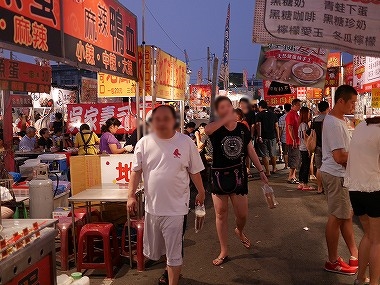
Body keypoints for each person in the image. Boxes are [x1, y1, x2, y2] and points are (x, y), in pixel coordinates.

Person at [127, 105, 206, 285]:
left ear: (174, 121)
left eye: (166, 118)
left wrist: (201, 191)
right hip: (152, 207)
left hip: (176, 208)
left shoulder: (186, 142)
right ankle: (169, 271)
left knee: (174, 252)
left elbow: (194, 171)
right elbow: (136, 171)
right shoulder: (143, 143)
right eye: (158, 119)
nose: (161, 122)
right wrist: (131, 195)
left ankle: (172, 279)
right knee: (159, 250)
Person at [205, 96, 268, 266]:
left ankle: (239, 230)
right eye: (221, 108)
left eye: (227, 106)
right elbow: (207, 130)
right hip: (218, 175)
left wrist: (261, 170)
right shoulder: (216, 128)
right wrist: (224, 119)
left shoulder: (242, 128)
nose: (225, 110)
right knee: (221, 213)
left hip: (237, 174)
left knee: (242, 214)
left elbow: (249, 149)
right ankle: (224, 250)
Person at [321, 85, 358, 275]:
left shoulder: (339, 120)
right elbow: (339, 157)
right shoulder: (335, 124)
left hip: (338, 175)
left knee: (345, 216)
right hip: (336, 174)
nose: (354, 106)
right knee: (336, 218)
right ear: (341, 101)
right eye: (352, 102)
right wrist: (361, 157)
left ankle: (354, 254)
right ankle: (332, 261)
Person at [345, 117, 380, 285]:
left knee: (368, 235)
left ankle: (360, 278)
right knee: (377, 240)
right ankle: (374, 282)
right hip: (374, 189)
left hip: (355, 189)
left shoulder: (362, 126)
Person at [255, 100, 280, 176]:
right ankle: (274, 168)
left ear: (260, 107)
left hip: (263, 137)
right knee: (273, 153)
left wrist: (259, 136)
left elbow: (258, 125)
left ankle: (267, 171)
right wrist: (278, 136)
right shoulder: (273, 114)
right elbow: (276, 126)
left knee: (264, 154)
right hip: (272, 136)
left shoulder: (259, 115)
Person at [313, 101, 330, 194]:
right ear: (327, 108)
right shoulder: (329, 119)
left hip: (317, 147)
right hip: (327, 148)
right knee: (327, 168)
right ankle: (326, 188)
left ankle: (319, 187)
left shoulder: (315, 120)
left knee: (319, 168)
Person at [297, 107, 315, 191]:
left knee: (303, 165)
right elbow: (305, 137)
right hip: (305, 147)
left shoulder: (301, 124)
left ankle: (301, 183)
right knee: (306, 166)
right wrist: (309, 149)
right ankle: (305, 184)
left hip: (302, 147)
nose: (309, 114)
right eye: (308, 113)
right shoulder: (304, 125)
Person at [286, 99, 302, 184]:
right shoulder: (291, 114)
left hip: (297, 140)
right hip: (292, 141)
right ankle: (290, 177)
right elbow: (290, 127)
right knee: (293, 159)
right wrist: (293, 140)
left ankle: (293, 176)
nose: (300, 107)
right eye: (299, 105)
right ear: (294, 105)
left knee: (296, 159)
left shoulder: (296, 114)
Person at [278, 103, 291, 169]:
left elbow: (280, 129)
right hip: (292, 138)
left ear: (284, 109)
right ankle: (291, 165)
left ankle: (286, 165)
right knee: (291, 152)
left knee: (285, 152)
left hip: (284, 137)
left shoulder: (282, 118)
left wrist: (279, 137)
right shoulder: (293, 116)